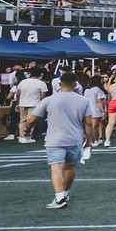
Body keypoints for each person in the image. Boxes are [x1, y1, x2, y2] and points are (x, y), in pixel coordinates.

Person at [40, 72, 90, 210]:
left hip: (55, 139)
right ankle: (65, 193)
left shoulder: (50, 99)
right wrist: (90, 140)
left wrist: (26, 130)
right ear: (75, 84)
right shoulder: (83, 100)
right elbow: (89, 123)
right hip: (75, 138)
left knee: (56, 167)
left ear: (60, 83)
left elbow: (33, 118)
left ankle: (60, 196)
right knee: (70, 167)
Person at [12, 66, 48, 143]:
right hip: (34, 104)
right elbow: (43, 96)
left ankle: (21, 136)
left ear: (30, 73)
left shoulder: (23, 82)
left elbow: (18, 94)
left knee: (22, 120)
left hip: (22, 103)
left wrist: (17, 104)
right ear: (40, 74)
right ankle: (27, 136)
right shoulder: (41, 83)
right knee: (30, 121)